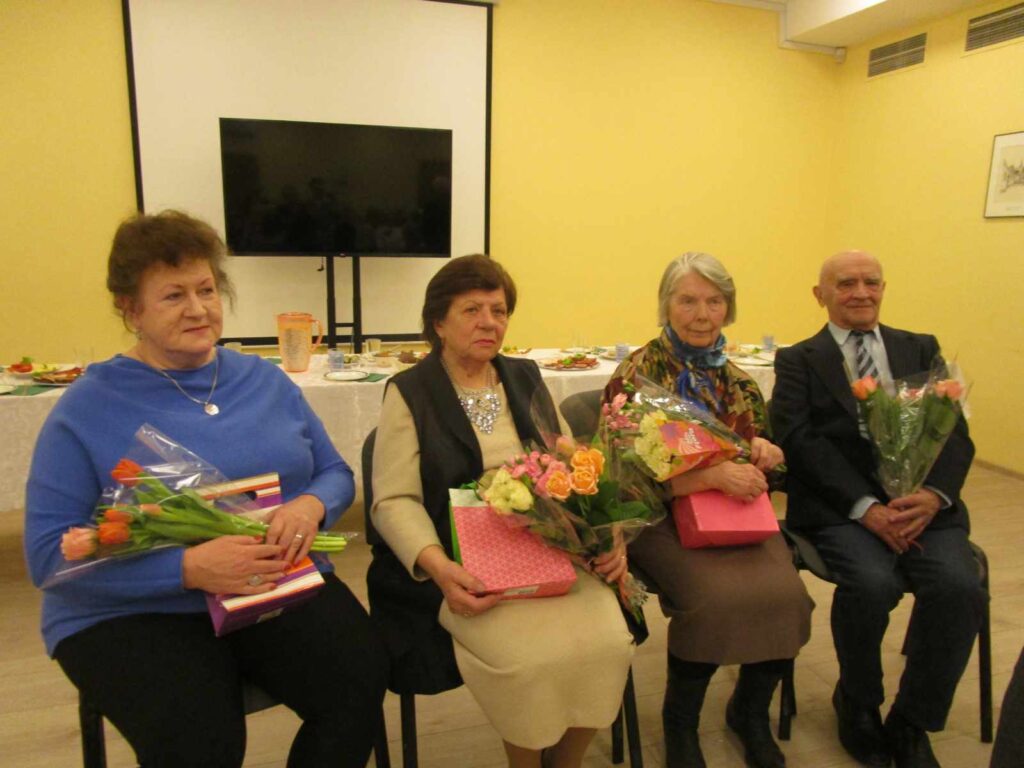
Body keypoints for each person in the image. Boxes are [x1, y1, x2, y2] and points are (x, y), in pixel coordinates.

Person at [24, 210, 388, 768]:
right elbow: (48, 555)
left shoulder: (264, 379)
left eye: (206, 289)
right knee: (201, 743)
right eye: (174, 295)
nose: (198, 308)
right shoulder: (86, 407)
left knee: (359, 681)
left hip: (270, 581)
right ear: (131, 309)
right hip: (135, 610)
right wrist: (188, 568)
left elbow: (334, 473)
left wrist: (310, 506)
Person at [368, 254, 635, 768]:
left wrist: (609, 531)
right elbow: (394, 499)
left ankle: (566, 762)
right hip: (462, 562)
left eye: (499, 310)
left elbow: (569, 460)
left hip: (549, 547)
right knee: (529, 661)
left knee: (609, 643)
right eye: (471, 310)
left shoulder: (523, 375)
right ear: (439, 322)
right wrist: (439, 568)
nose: (489, 322)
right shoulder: (411, 392)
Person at [770, 250, 984, 768]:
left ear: (884, 288)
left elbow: (953, 432)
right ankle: (858, 701)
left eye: (871, 282)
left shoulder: (921, 347)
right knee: (872, 584)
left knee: (959, 587)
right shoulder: (799, 359)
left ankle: (913, 720)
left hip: (923, 506)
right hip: (842, 508)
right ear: (820, 295)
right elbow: (798, 440)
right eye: (846, 283)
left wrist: (933, 496)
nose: (861, 292)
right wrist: (866, 507)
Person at [603, 252, 813, 768]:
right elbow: (613, 474)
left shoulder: (738, 379)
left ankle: (749, 712)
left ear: (728, 308)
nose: (702, 314)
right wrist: (703, 478)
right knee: (714, 601)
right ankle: (681, 724)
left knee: (788, 598)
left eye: (714, 302)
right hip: (657, 519)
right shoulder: (638, 373)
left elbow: (771, 471)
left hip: (733, 515)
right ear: (666, 305)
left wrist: (767, 454)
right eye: (688, 301)